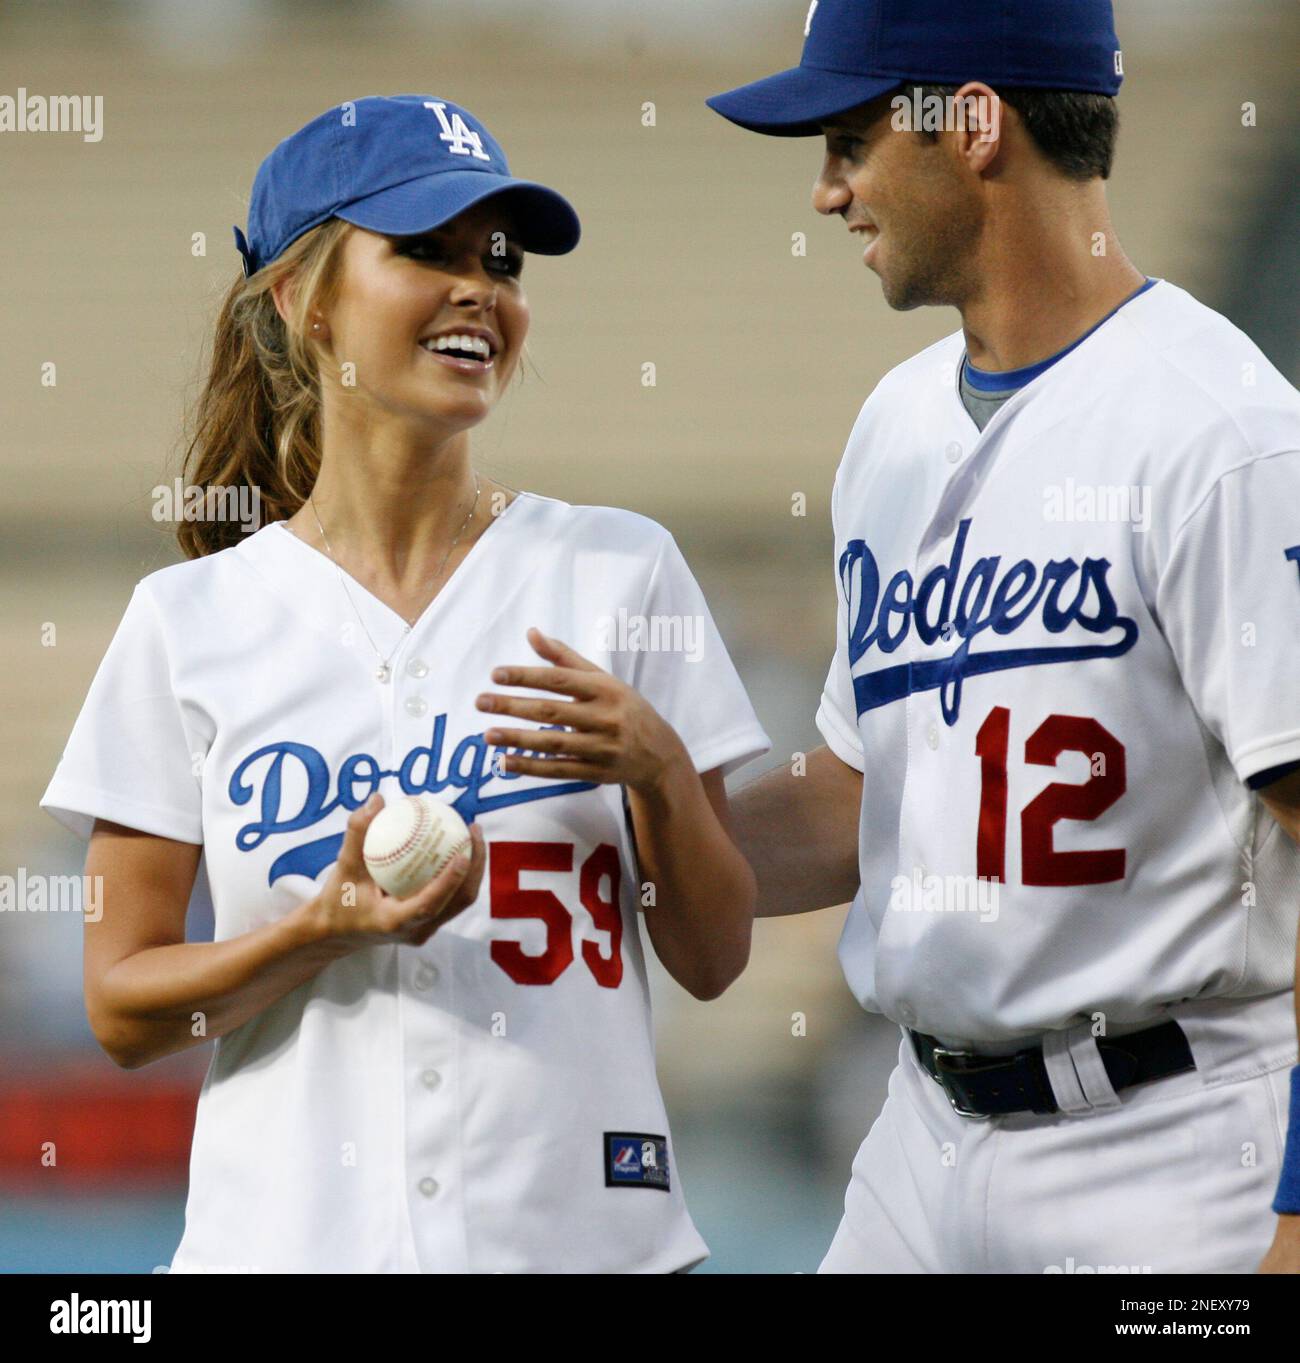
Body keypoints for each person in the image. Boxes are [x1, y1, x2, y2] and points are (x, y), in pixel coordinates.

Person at [41, 94, 769, 1274]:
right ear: (303, 298)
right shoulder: (191, 621)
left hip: (584, 1246)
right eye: (424, 250)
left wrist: (661, 770)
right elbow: (125, 1007)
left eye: (500, 257)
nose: (480, 285)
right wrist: (316, 932)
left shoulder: (616, 569)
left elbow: (715, 953)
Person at [708, 0, 1300, 1273]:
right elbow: (863, 804)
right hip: (922, 1140)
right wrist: (625, 835)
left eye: (850, 137)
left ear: (971, 124)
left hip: (1179, 1145)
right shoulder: (894, 426)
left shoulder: (1222, 434)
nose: (826, 190)